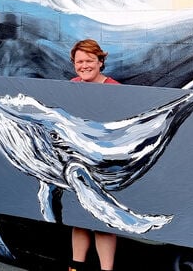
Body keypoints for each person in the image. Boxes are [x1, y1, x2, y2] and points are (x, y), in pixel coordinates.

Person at [69, 38, 119, 271]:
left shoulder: (115, 89)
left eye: (89, 60)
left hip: (103, 165)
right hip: (75, 162)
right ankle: (76, 266)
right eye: (79, 61)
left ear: (100, 62)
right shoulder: (71, 85)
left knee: (103, 220)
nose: (84, 65)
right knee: (78, 219)